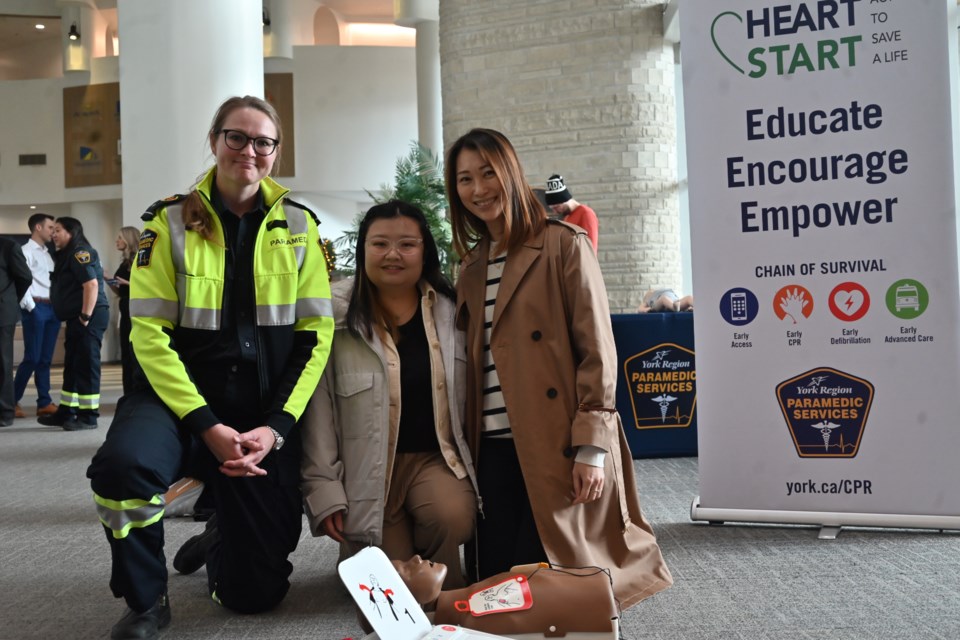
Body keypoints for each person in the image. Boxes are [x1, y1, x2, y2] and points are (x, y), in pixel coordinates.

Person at [85, 95, 335, 640]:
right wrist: (205, 424)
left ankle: (222, 528)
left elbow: (316, 336)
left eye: (262, 141)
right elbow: (147, 334)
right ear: (216, 139)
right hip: (174, 403)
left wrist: (276, 427)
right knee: (121, 471)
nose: (249, 150)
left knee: (253, 597)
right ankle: (145, 601)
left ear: (276, 151)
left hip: (260, 415)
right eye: (236, 137)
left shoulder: (299, 226)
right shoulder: (168, 222)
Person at [445, 128, 672, 611]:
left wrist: (591, 445)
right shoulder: (468, 268)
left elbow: (597, 348)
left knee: (554, 580)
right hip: (490, 445)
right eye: (465, 179)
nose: (479, 189)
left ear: (511, 172)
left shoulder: (563, 244)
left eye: (488, 172)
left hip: (555, 441)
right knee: (495, 583)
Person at [302, 200, 478, 590]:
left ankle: (448, 593)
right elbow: (318, 412)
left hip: (435, 461)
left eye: (407, 245)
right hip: (366, 472)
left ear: (425, 251)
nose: (393, 255)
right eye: (379, 244)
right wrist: (325, 491)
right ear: (363, 248)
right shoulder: (332, 315)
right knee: (386, 581)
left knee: (450, 516)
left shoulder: (454, 313)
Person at [393, 555, 619, 637]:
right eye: (405, 568)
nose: (414, 558)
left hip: (596, 597)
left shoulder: (471, 599)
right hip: (596, 609)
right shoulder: (469, 614)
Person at [36, 217, 109, 431]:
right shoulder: (67, 255)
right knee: (73, 365)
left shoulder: (80, 252)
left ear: (71, 231)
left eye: (58, 230)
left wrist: (85, 316)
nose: (53, 234)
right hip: (77, 317)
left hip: (89, 316)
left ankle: (88, 416)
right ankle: (67, 411)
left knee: (86, 365)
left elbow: (91, 284)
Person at [13, 213, 61, 420]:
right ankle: (11, 401)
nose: (54, 231)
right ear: (38, 228)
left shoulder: (48, 253)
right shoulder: (24, 251)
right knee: (32, 358)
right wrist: (31, 307)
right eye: (51, 227)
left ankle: (44, 402)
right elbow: (19, 280)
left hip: (52, 309)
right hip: (36, 308)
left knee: (45, 359)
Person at [0, 235, 32, 427]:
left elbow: (24, 277)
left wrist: (10, 299)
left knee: (2, 363)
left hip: (3, 313)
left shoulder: (8, 246)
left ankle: (5, 411)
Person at [107, 226, 141, 394]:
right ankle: (128, 393)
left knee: (134, 353)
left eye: (120, 237)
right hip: (125, 308)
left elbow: (148, 287)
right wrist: (108, 279)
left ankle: (135, 393)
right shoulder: (125, 263)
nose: (117, 241)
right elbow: (120, 290)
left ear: (128, 239)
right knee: (126, 354)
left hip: (135, 310)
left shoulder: (139, 261)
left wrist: (127, 284)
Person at [544, 174, 599, 254]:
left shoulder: (586, 213)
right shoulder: (567, 217)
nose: (555, 212)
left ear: (565, 200)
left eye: (556, 207)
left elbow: (591, 248)